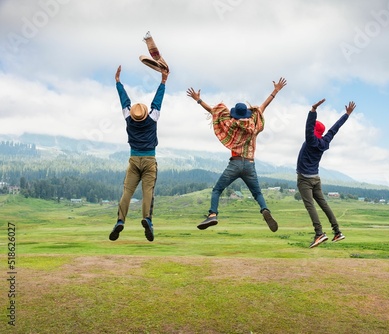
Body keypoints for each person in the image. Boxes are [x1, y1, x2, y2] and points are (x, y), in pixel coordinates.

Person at [186, 77, 287, 232]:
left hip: (235, 163)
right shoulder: (254, 124)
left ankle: (213, 214)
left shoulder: (230, 124)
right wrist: (276, 90)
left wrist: (198, 100)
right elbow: (264, 106)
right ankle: (264, 209)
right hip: (250, 164)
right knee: (257, 193)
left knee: (217, 190)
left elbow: (214, 111)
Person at [109, 65, 169, 242]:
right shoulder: (153, 118)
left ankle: (120, 220)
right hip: (150, 160)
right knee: (147, 192)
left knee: (127, 192)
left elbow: (124, 101)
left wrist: (118, 83)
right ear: (145, 113)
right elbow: (158, 100)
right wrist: (163, 81)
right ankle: (147, 220)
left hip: (133, 160)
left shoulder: (128, 117)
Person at [296, 99, 356, 248]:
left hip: (304, 179)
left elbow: (309, 127)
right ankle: (337, 231)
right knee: (324, 205)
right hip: (316, 178)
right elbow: (334, 129)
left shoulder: (310, 140)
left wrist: (313, 110)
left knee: (310, 206)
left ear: (313, 131)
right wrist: (346, 115)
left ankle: (319, 234)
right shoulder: (324, 141)